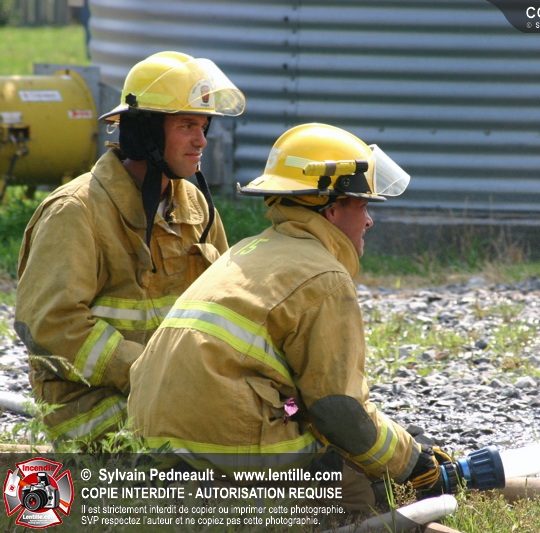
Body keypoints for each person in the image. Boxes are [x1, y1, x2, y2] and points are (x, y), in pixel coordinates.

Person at [128, 123, 446, 510]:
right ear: (331, 208)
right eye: (362, 205)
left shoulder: (248, 250)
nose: (369, 221)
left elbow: (300, 399)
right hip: (220, 453)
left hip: (149, 452)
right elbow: (339, 411)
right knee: (358, 492)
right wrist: (413, 464)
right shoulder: (324, 277)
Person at [13, 51, 245, 445]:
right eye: (187, 125)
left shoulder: (196, 207)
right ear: (146, 132)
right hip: (91, 408)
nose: (201, 141)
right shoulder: (76, 211)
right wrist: (148, 371)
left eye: (204, 126)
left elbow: (227, 307)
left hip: (170, 393)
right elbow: (50, 325)